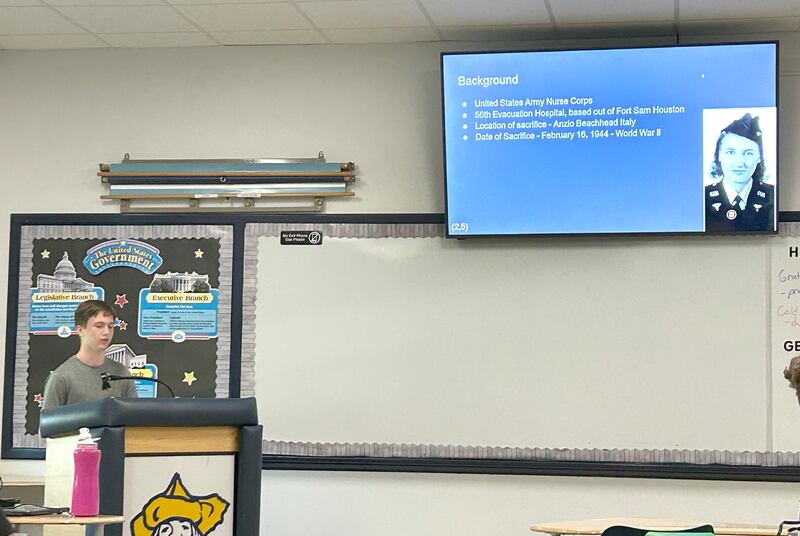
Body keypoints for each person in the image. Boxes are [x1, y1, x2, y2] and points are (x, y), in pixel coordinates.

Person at [42, 300, 136, 411]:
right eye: (99, 326)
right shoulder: (61, 377)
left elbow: (134, 420)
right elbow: (47, 426)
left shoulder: (122, 373)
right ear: (80, 330)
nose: (106, 332)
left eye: (110, 326)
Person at [704, 113, 775, 232]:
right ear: (719, 155)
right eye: (731, 153)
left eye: (748, 153)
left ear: (759, 158)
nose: (739, 163)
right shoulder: (702, 197)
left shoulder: (772, 196)